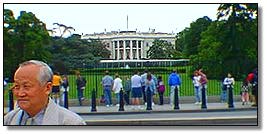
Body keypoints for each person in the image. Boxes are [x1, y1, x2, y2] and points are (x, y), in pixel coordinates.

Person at [4, 60, 86, 125]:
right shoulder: (8, 120)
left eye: (26, 86)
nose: (20, 93)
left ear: (47, 88)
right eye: (17, 86)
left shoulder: (71, 123)